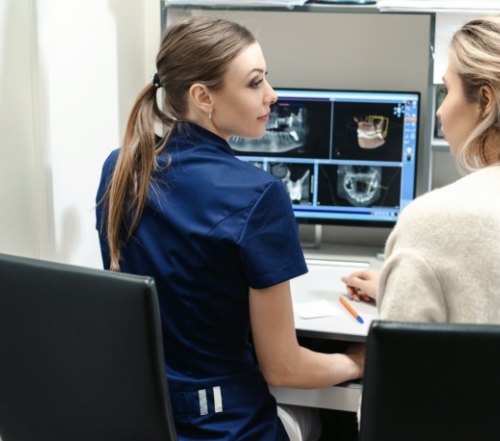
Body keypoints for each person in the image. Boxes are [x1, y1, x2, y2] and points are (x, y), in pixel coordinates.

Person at [96, 16, 364, 441]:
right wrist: (356, 361)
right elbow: (284, 367)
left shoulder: (123, 167)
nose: (271, 96)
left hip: (144, 418)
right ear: (203, 96)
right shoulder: (259, 195)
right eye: (255, 83)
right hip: (227, 427)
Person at [341, 15, 500, 323]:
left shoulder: (433, 220)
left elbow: (401, 365)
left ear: (485, 100)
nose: (440, 109)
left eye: (447, 90)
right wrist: (397, 287)